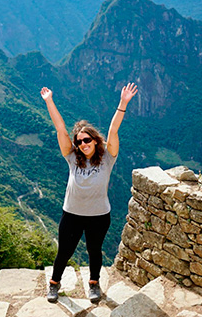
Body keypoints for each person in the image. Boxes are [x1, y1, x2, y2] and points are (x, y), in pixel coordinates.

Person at [41, 83, 138, 304]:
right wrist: (49, 101)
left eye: (87, 140)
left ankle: (94, 284)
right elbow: (60, 129)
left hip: (98, 215)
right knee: (64, 251)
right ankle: (54, 284)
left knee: (95, 250)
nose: (83, 144)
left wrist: (123, 103)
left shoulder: (107, 158)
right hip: (72, 214)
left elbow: (113, 130)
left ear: (95, 140)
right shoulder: (71, 157)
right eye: (79, 141)